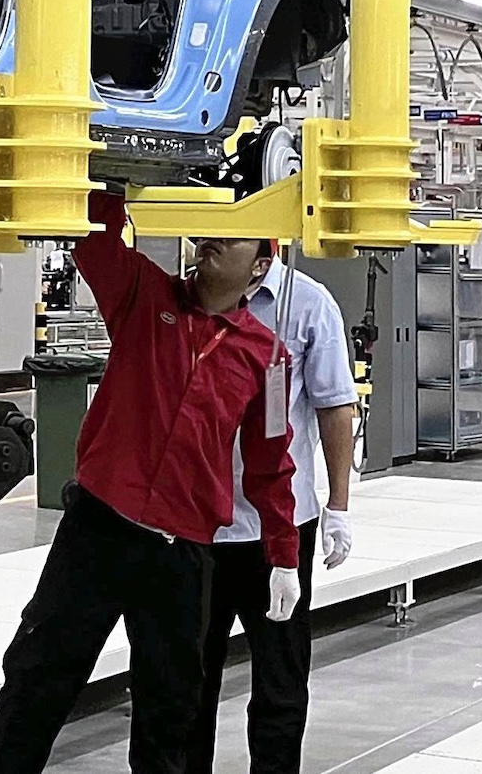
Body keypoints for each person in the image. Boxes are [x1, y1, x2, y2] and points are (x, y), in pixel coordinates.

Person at [0, 195, 296, 774]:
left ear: (260, 264)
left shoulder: (267, 358)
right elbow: (94, 239)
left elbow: (270, 463)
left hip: (182, 556)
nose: (213, 240)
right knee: (38, 674)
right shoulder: (146, 295)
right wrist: (121, 177)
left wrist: (282, 555)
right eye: (208, 230)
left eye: (236, 233)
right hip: (98, 528)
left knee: (172, 705)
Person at [191, 241, 361, 774]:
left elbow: (336, 406)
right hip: (194, 525)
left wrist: (338, 505)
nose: (207, 253)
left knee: (280, 676)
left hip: (278, 528)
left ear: (264, 253)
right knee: (189, 675)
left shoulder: (309, 304)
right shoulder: (194, 294)